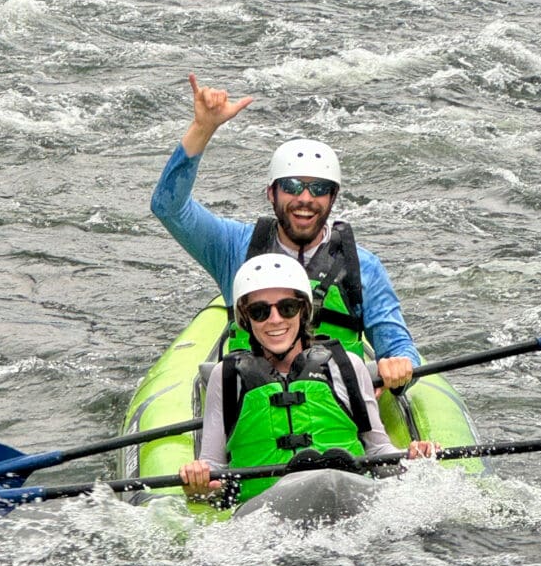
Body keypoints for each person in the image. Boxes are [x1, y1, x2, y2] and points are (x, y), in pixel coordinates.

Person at [151, 72, 418, 392]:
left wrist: (398, 364)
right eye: (292, 186)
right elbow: (168, 207)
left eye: (318, 188)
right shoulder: (234, 248)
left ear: (332, 198)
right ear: (271, 193)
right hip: (253, 413)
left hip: (337, 412)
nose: (305, 199)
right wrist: (203, 128)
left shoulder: (363, 266)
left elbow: (400, 348)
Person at [179, 255, 435, 507]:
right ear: (245, 319)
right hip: (266, 513)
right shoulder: (226, 377)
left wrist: (411, 460)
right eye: (260, 311)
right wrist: (199, 485)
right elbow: (214, 468)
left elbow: (378, 451)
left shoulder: (346, 366)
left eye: (287, 307)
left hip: (349, 501)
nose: (275, 319)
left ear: (304, 310)